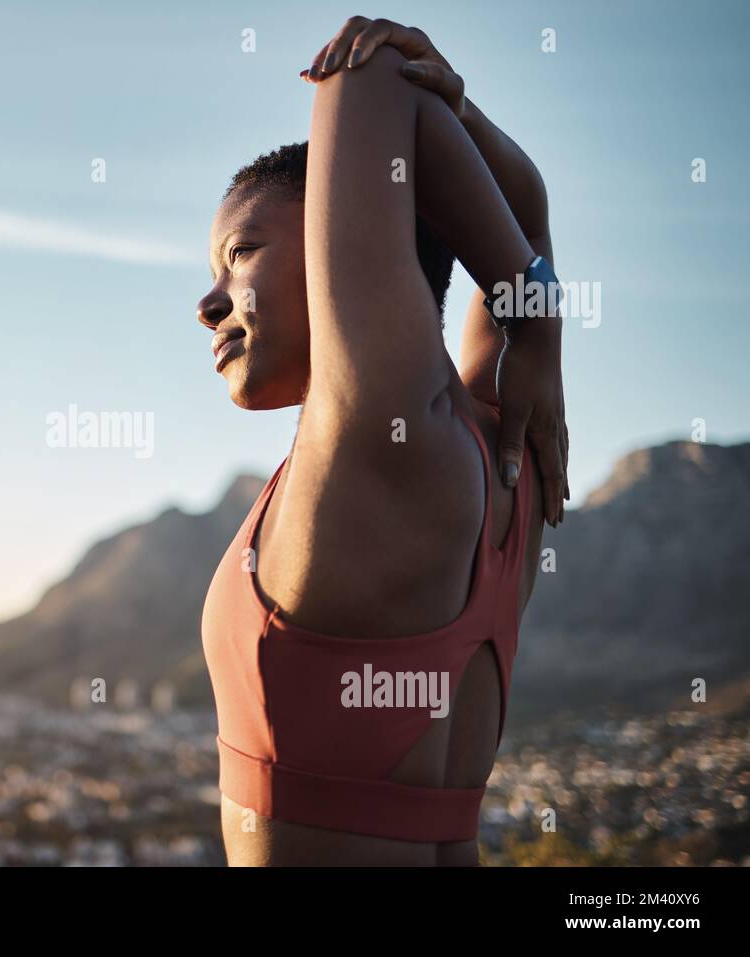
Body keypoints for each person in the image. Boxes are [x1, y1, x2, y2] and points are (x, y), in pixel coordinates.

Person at [198, 17, 568, 866]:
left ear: (341, 234)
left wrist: (539, 323)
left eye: (240, 252)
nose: (208, 302)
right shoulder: (505, 451)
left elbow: (367, 80)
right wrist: (462, 115)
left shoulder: (375, 437)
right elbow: (529, 209)